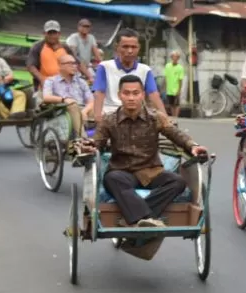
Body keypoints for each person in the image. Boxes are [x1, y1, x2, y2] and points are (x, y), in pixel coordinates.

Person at [77, 75, 208, 228]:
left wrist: (193, 146)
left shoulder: (156, 117)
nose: (131, 98)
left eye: (135, 93)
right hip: (122, 171)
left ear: (142, 95)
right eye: (127, 93)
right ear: (120, 95)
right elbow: (97, 141)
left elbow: (176, 134)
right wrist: (90, 146)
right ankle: (147, 218)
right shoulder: (109, 120)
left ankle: (137, 218)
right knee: (111, 179)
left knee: (178, 182)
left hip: (152, 171)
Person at [92, 28, 166, 121]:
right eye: (125, 47)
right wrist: (97, 117)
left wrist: (165, 118)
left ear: (138, 48)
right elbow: (99, 93)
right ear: (117, 47)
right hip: (110, 114)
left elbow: (153, 95)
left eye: (133, 47)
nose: (130, 51)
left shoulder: (145, 69)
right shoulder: (105, 67)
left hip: (137, 115)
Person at [27, 20, 88, 91]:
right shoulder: (37, 46)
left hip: (65, 86)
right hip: (44, 86)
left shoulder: (65, 47)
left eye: (54, 33)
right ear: (44, 33)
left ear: (59, 34)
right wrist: (42, 79)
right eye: (50, 33)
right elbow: (30, 66)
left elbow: (78, 63)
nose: (52, 36)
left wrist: (90, 77)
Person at [42, 54, 94, 137]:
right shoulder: (51, 81)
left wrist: (84, 111)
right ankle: (82, 139)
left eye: (75, 63)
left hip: (81, 108)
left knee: (99, 110)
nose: (74, 66)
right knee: (72, 105)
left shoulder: (81, 82)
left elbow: (91, 101)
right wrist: (64, 99)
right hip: (62, 110)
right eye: (70, 63)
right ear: (61, 66)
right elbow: (46, 97)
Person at [163, 50, 185, 118]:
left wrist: (179, 90)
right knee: (171, 104)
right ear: (171, 57)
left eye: (176, 57)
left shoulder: (180, 68)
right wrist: (164, 87)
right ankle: (173, 117)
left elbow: (180, 80)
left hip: (176, 89)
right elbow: (165, 77)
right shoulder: (167, 66)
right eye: (173, 57)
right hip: (169, 89)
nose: (175, 58)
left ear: (178, 58)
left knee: (177, 104)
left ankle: (176, 117)